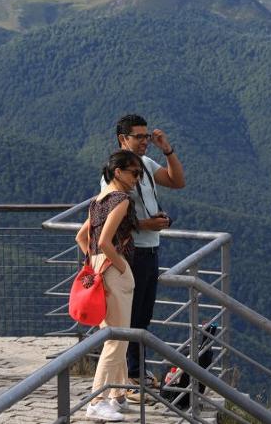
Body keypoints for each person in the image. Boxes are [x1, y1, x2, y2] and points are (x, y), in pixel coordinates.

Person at [110, 114, 186, 398]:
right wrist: (145, 224)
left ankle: (137, 371)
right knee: (131, 316)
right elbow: (110, 219)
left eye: (146, 136)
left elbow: (177, 181)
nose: (145, 141)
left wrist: (167, 149)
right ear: (123, 139)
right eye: (139, 137)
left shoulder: (145, 164)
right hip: (133, 252)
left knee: (143, 315)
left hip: (150, 248)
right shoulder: (116, 172)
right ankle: (131, 375)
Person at [76, 150, 142, 422]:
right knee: (117, 339)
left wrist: (95, 263)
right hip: (114, 270)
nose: (137, 178)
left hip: (99, 270)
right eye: (134, 173)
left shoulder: (97, 201)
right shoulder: (121, 200)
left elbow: (82, 237)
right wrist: (121, 266)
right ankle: (97, 401)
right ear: (118, 172)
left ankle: (117, 395)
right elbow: (104, 241)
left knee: (114, 334)